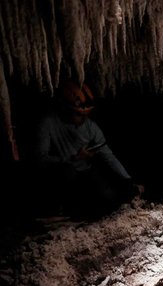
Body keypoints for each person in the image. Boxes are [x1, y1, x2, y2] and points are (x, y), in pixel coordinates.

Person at [33, 80, 143, 219]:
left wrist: (128, 180)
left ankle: (80, 208)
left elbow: (108, 156)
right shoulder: (48, 122)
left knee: (109, 198)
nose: (83, 118)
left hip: (85, 171)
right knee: (68, 173)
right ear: (66, 108)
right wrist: (71, 158)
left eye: (86, 114)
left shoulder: (91, 127)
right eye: (79, 114)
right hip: (60, 172)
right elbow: (40, 158)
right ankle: (57, 209)